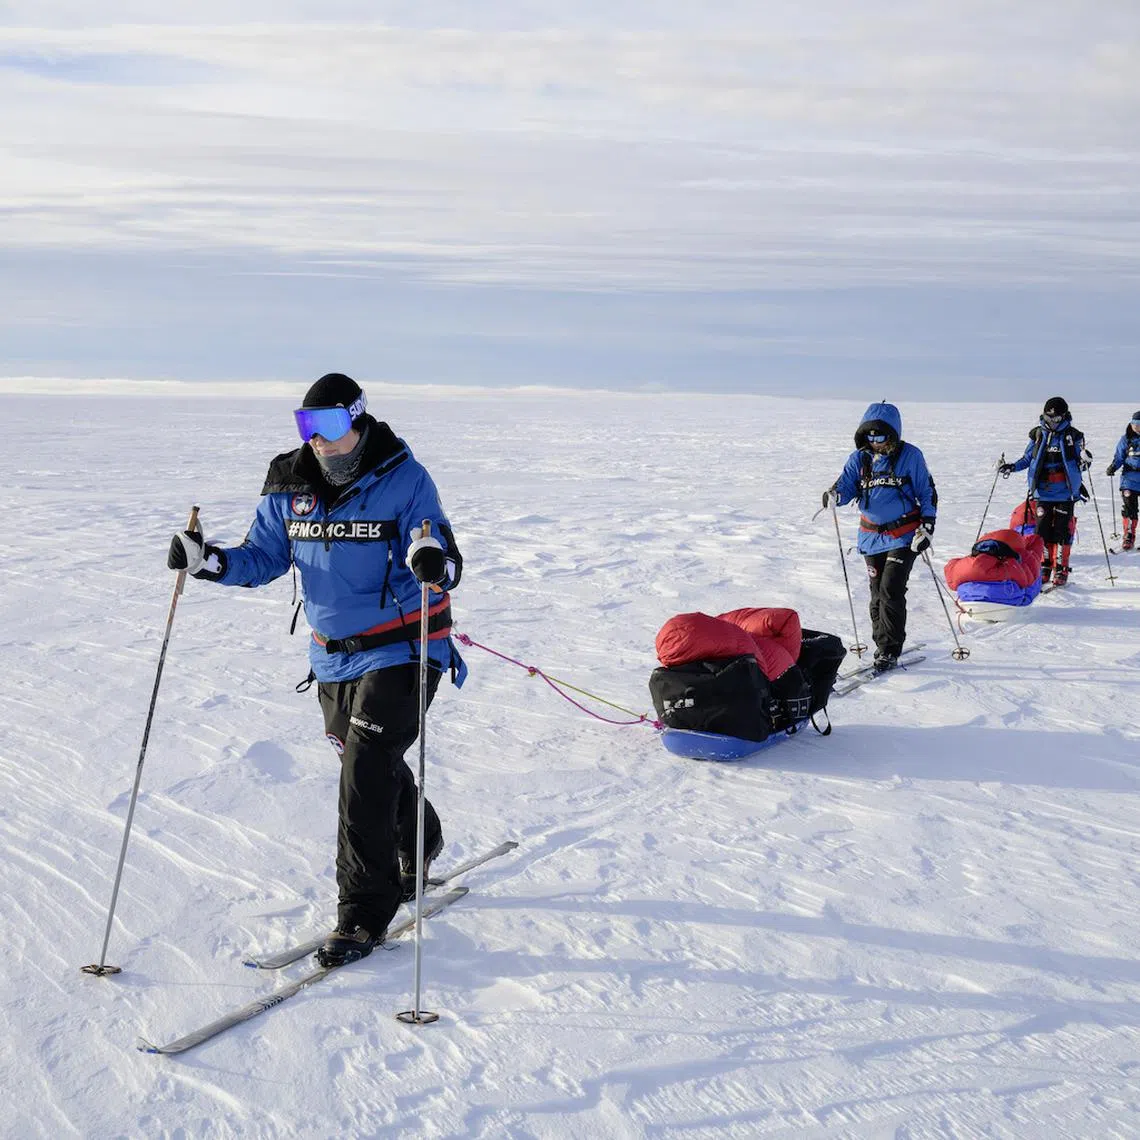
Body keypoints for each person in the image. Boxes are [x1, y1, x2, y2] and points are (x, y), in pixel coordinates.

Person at [167, 372, 466, 967]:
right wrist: (209, 562)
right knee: (367, 765)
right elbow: (263, 559)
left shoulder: (405, 478)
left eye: (327, 426)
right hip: (330, 652)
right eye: (307, 427)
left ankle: (362, 912)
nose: (317, 440)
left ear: (356, 420)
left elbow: (438, 549)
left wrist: (431, 558)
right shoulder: (289, 484)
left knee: (366, 764)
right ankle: (419, 834)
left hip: (406, 646)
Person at [823, 402, 938, 674]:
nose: (875, 442)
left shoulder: (911, 456)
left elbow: (927, 492)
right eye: (870, 436)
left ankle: (889, 649)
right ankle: (880, 644)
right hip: (870, 537)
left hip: (905, 536)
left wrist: (928, 527)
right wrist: (835, 496)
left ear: (892, 433)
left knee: (890, 589)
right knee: (876, 594)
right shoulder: (859, 459)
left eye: (881, 436)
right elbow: (846, 486)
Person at [998, 396, 1090, 587]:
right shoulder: (1038, 435)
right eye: (1049, 418)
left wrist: (1085, 462)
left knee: (1062, 531)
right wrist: (1011, 467)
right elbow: (1027, 459)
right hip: (1043, 492)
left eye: (1056, 419)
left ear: (1064, 417)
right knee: (1042, 531)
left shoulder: (1073, 436)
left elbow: (1080, 464)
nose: (1052, 423)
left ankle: (1061, 567)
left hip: (1065, 491)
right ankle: (1044, 566)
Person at [1106, 411, 1140, 551]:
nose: (1137, 427)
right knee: (1129, 508)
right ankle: (1129, 536)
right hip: (1129, 479)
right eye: (1135, 424)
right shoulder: (1126, 439)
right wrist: (1113, 467)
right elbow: (1119, 456)